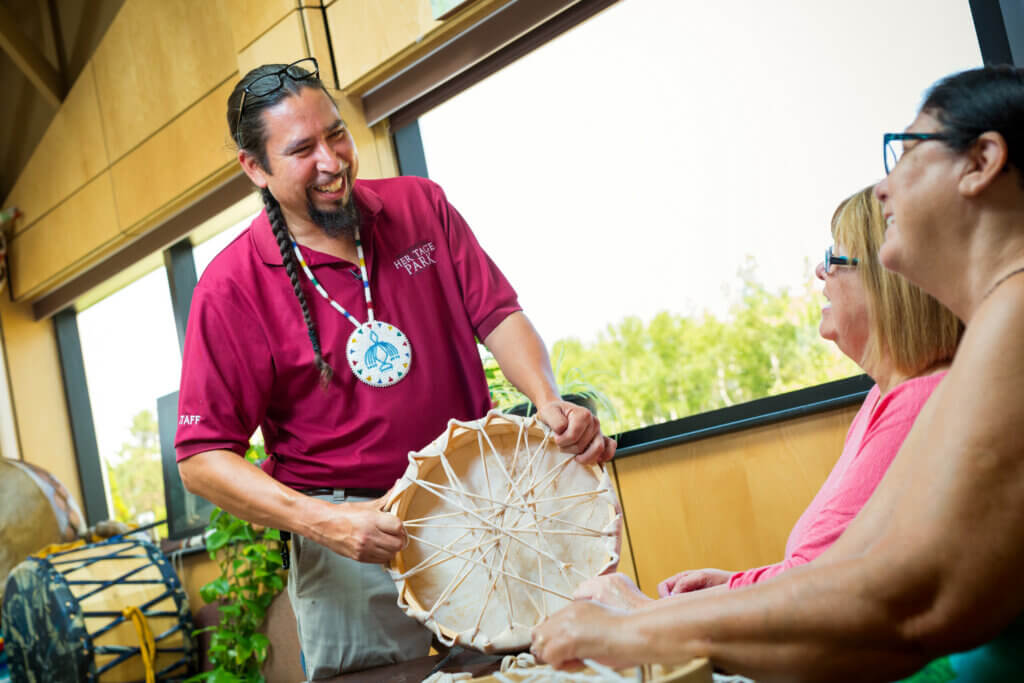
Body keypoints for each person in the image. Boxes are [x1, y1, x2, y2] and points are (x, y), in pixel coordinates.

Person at [531, 65, 1024, 681]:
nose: (882, 190)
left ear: (982, 161)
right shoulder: (993, 331)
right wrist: (650, 620)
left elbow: (907, 606)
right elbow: (850, 570)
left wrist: (638, 626)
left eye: (904, 151)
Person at [174, 58, 615, 679]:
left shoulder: (421, 208)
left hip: (482, 505)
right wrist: (323, 522)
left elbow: (498, 312)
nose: (332, 161)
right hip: (352, 538)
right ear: (255, 168)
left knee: (544, 666)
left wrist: (547, 399)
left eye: (336, 133)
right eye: (302, 149)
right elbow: (201, 459)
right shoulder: (230, 286)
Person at [572, 186, 961, 613]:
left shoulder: (919, 400)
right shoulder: (882, 396)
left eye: (835, 258)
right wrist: (735, 583)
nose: (819, 270)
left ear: (889, 283)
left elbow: (819, 583)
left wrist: (642, 612)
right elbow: (819, 570)